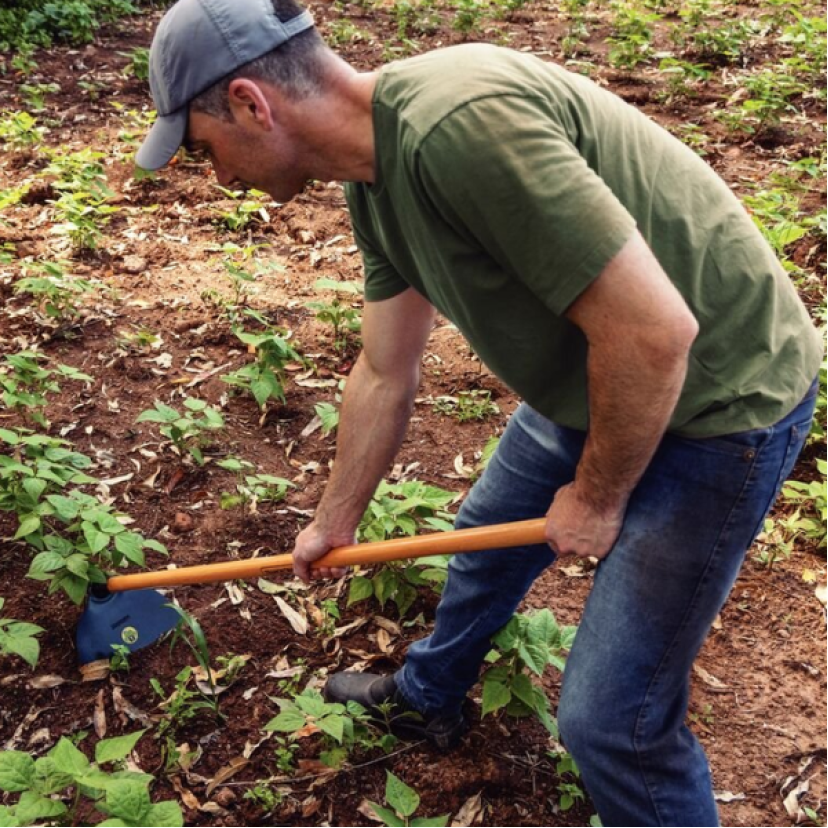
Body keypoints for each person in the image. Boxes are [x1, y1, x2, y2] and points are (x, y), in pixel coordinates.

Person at [136, 0, 823, 824]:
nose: (217, 176)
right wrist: (336, 518)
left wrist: (598, 497)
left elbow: (654, 335)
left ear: (251, 103)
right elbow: (385, 368)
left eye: (204, 149)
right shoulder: (374, 179)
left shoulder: (459, 127)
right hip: (593, 377)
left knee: (612, 723)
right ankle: (427, 695)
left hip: (717, 399)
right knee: (483, 556)